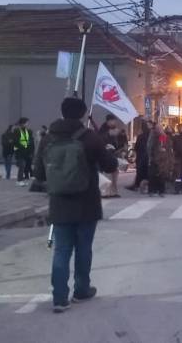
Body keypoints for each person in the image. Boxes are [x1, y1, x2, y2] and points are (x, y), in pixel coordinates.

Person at [33, 97, 118, 313]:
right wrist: (107, 151)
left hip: (59, 203)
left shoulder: (48, 138)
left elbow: (38, 173)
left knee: (61, 250)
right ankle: (81, 290)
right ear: (82, 114)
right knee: (83, 248)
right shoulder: (90, 137)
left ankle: (59, 298)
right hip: (86, 202)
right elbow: (110, 165)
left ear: (62, 112)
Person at [99, 115, 127, 198]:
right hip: (106, 155)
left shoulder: (118, 131)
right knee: (107, 174)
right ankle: (105, 192)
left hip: (115, 155)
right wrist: (109, 135)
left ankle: (114, 192)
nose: (114, 122)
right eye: (112, 120)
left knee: (115, 173)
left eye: (115, 120)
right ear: (108, 121)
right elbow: (100, 140)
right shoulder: (103, 130)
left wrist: (123, 150)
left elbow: (123, 142)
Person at [147, 125, 173, 197]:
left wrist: (163, 150)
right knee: (152, 176)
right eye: (157, 129)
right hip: (154, 159)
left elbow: (165, 147)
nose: (159, 130)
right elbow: (149, 148)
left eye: (160, 129)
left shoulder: (163, 137)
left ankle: (161, 191)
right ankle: (152, 190)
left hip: (162, 160)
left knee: (161, 176)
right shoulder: (153, 136)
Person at [127, 121, 152, 192]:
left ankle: (138, 185)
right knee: (147, 171)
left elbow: (136, 147)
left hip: (141, 157)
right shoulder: (152, 135)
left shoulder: (140, 136)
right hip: (148, 156)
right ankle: (146, 186)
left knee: (140, 171)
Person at [14, 117, 34, 187]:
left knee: (24, 166)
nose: (27, 124)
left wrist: (31, 151)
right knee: (22, 166)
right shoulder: (17, 131)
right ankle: (19, 180)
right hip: (20, 152)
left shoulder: (28, 131)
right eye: (26, 123)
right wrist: (23, 144)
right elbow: (16, 142)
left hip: (26, 152)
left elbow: (30, 141)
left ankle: (21, 180)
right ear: (23, 123)